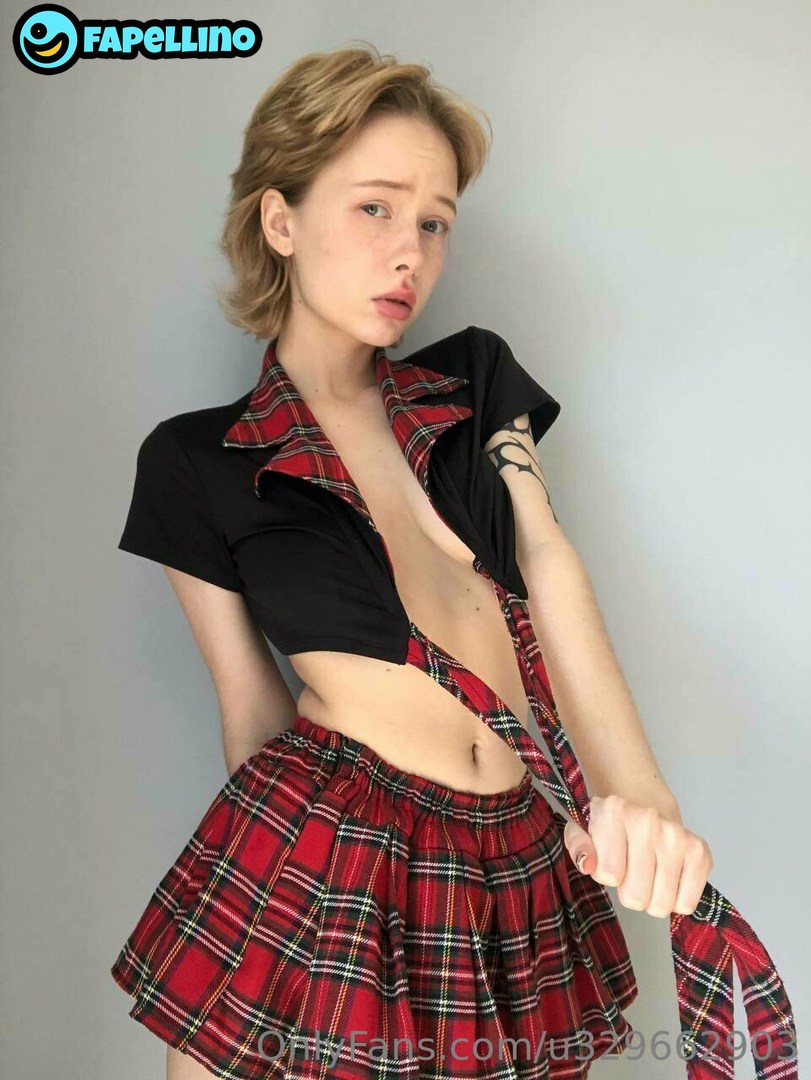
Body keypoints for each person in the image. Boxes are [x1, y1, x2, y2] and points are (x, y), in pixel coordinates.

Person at [110, 42, 797, 1080]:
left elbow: (549, 565)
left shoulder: (473, 380)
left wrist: (640, 797)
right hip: (336, 852)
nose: (411, 255)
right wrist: (270, 929)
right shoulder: (195, 460)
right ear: (280, 220)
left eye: (434, 222)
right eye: (375, 208)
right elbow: (250, 713)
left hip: (520, 850)